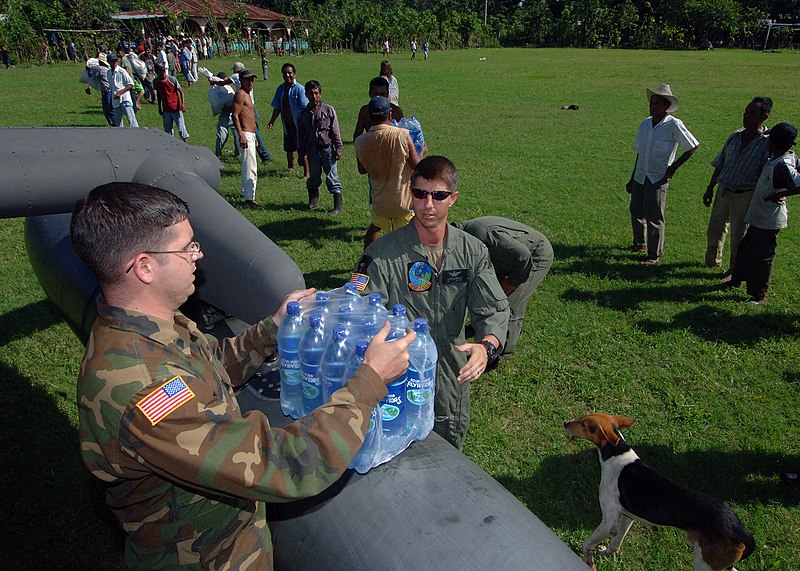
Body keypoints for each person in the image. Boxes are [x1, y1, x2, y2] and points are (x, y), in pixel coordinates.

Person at [69, 182, 413, 570]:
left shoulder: (152, 325)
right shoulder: (140, 388)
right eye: (187, 248)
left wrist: (272, 328)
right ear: (144, 267)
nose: (198, 256)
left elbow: (209, 366)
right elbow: (285, 464)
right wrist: (370, 379)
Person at [352, 156, 510, 450]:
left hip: (451, 377)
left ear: (453, 199)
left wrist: (486, 347)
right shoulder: (382, 255)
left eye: (438, 195)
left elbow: (494, 309)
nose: (428, 204)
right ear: (409, 194)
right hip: (397, 379)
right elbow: (360, 315)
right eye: (420, 194)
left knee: (449, 453)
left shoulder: (471, 252)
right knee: (393, 452)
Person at [450, 217, 553, 357]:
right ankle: (483, 330)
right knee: (488, 296)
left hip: (534, 256)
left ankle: (502, 351)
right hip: (505, 259)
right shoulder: (464, 238)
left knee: (510, 303)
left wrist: (510, 283)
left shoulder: (482, 234)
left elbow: (523, 257)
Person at [726, 123, 800, 305]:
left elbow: (798, 185)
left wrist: (781, 193)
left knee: (763, 257)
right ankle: (736, 281)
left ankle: (759, 296)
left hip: (769, 220)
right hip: (760, 216)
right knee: (745, 249)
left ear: (773, 142)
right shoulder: (781, 158)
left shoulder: (783, 165)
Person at [626, 83, 699, 265]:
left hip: (657, 177)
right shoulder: (644, 124)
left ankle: (654, 255)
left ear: (666, 106)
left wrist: (672, 168)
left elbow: (692, 146)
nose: (652, 106)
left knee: (655, 217)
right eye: (651, 102)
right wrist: (632, 177)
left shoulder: (674, 125)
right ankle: (639, 243)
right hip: (641, 175)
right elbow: (640, 153)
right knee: (636, 211)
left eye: (657, 103)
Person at [703, 97, 772, 278]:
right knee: (715, 228)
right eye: (746, 112)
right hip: (724, 190)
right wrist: (710, 188)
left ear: (764, 116)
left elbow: (766, 174)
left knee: (739, 236)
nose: (746, 116)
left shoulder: (766, 143)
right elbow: (720, 163)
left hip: (745, 194)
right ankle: (712, 260)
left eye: (752, 113)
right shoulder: (735, 136)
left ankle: (735, 271)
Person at [354, 96, 424, 248]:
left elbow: (361, 169)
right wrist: (422, 152)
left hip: (379, 202)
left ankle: (367, 262)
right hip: (403, 203)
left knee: (374, 228)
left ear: (369, 116)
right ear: (390, 115)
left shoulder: (360, 141)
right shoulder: (402, 135)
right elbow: (417, 166)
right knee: (411, 237)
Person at [296, 80, 344, 215]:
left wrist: (339, 148)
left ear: (321, 94)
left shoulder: (328, 110)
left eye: (316, 93)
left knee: (332, 176)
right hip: (312, 150)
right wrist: (301, 153)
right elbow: (300, 135)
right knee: (314, 177)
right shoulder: (303, 114)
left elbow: (335, 130)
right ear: (306, 94)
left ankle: (337, 206)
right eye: (311, 94)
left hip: (327, 149)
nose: (314, 97)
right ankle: (313, 200)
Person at [268, 63, 309, 178]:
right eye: (285, 73)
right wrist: (272, 121)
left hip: (299, 125)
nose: (287, 75)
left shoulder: (300, 89)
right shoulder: (280, 89)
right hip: (287, 124)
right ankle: (290, 167)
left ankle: (307, 174)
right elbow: (277, 107)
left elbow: (305, 108)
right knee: (289, 149)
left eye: (289, 73)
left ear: (294, 74)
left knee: (302, 150)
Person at [232, 69, 261, 207]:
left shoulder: (248, 94)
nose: (251, 82)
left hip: (250, 134)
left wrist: (254, 136)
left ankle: (248, 193)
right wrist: (241, 135)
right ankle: (249, 198)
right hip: (245, 134)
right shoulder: (241, 94)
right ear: (241, 80)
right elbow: (235, 115)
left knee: (250, 165)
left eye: (252, 79)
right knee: (250, 167)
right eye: (248, 79)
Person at [352, 77, 404, 141]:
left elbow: (402, 137)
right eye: (376, 94)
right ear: (370, 94)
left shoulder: (396, 112)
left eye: (383, 94)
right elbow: (357, 136)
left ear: (387, 94)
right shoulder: (365, 111)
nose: (379, 97)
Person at [153, 63, 189, 143]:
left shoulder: (172, 79)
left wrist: (183, 103)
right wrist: (159, 107)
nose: (163, 74)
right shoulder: (156, 81)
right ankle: (170, 146)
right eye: (161, 72)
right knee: (167, 131)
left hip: (176, 108)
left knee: (181, 129)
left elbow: (181, 91)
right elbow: (159, 94)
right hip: (166, 109)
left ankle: (186, 145)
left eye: (164, 71)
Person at [106, 53, 139, 128]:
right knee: (118, 122)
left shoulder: (122, 71)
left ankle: (137, 133)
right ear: (109, 62)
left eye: (115, 61)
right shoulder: (108, 73)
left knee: (131, 119)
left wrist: (120, 92)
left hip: (124, 99)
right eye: (112, 61)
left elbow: (131, 84)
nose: (114, 63)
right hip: (115, 100)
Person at [86, 52, 114, 126]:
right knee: (111, 107)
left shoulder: (99, 68)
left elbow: (90, 74)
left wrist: (88, 68)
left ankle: (113, 122)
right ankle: (114, 121)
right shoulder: (109, 68)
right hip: (112, 89)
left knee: (107, 108)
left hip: (106, 90)